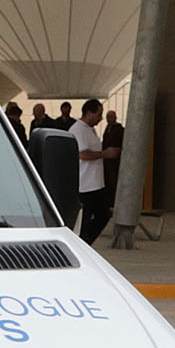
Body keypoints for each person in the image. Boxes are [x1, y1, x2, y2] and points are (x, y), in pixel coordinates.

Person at [71, 96, 115, 241]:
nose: (101, 118)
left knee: (103, 215)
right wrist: (104, 154)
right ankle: (82, 242)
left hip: (96, 183)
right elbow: (82, 154)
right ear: (89, 113)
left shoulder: (90, 130)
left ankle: (86, 242)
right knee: (84, 220)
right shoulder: (78, 130)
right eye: (98, 114)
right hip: (85, 185)